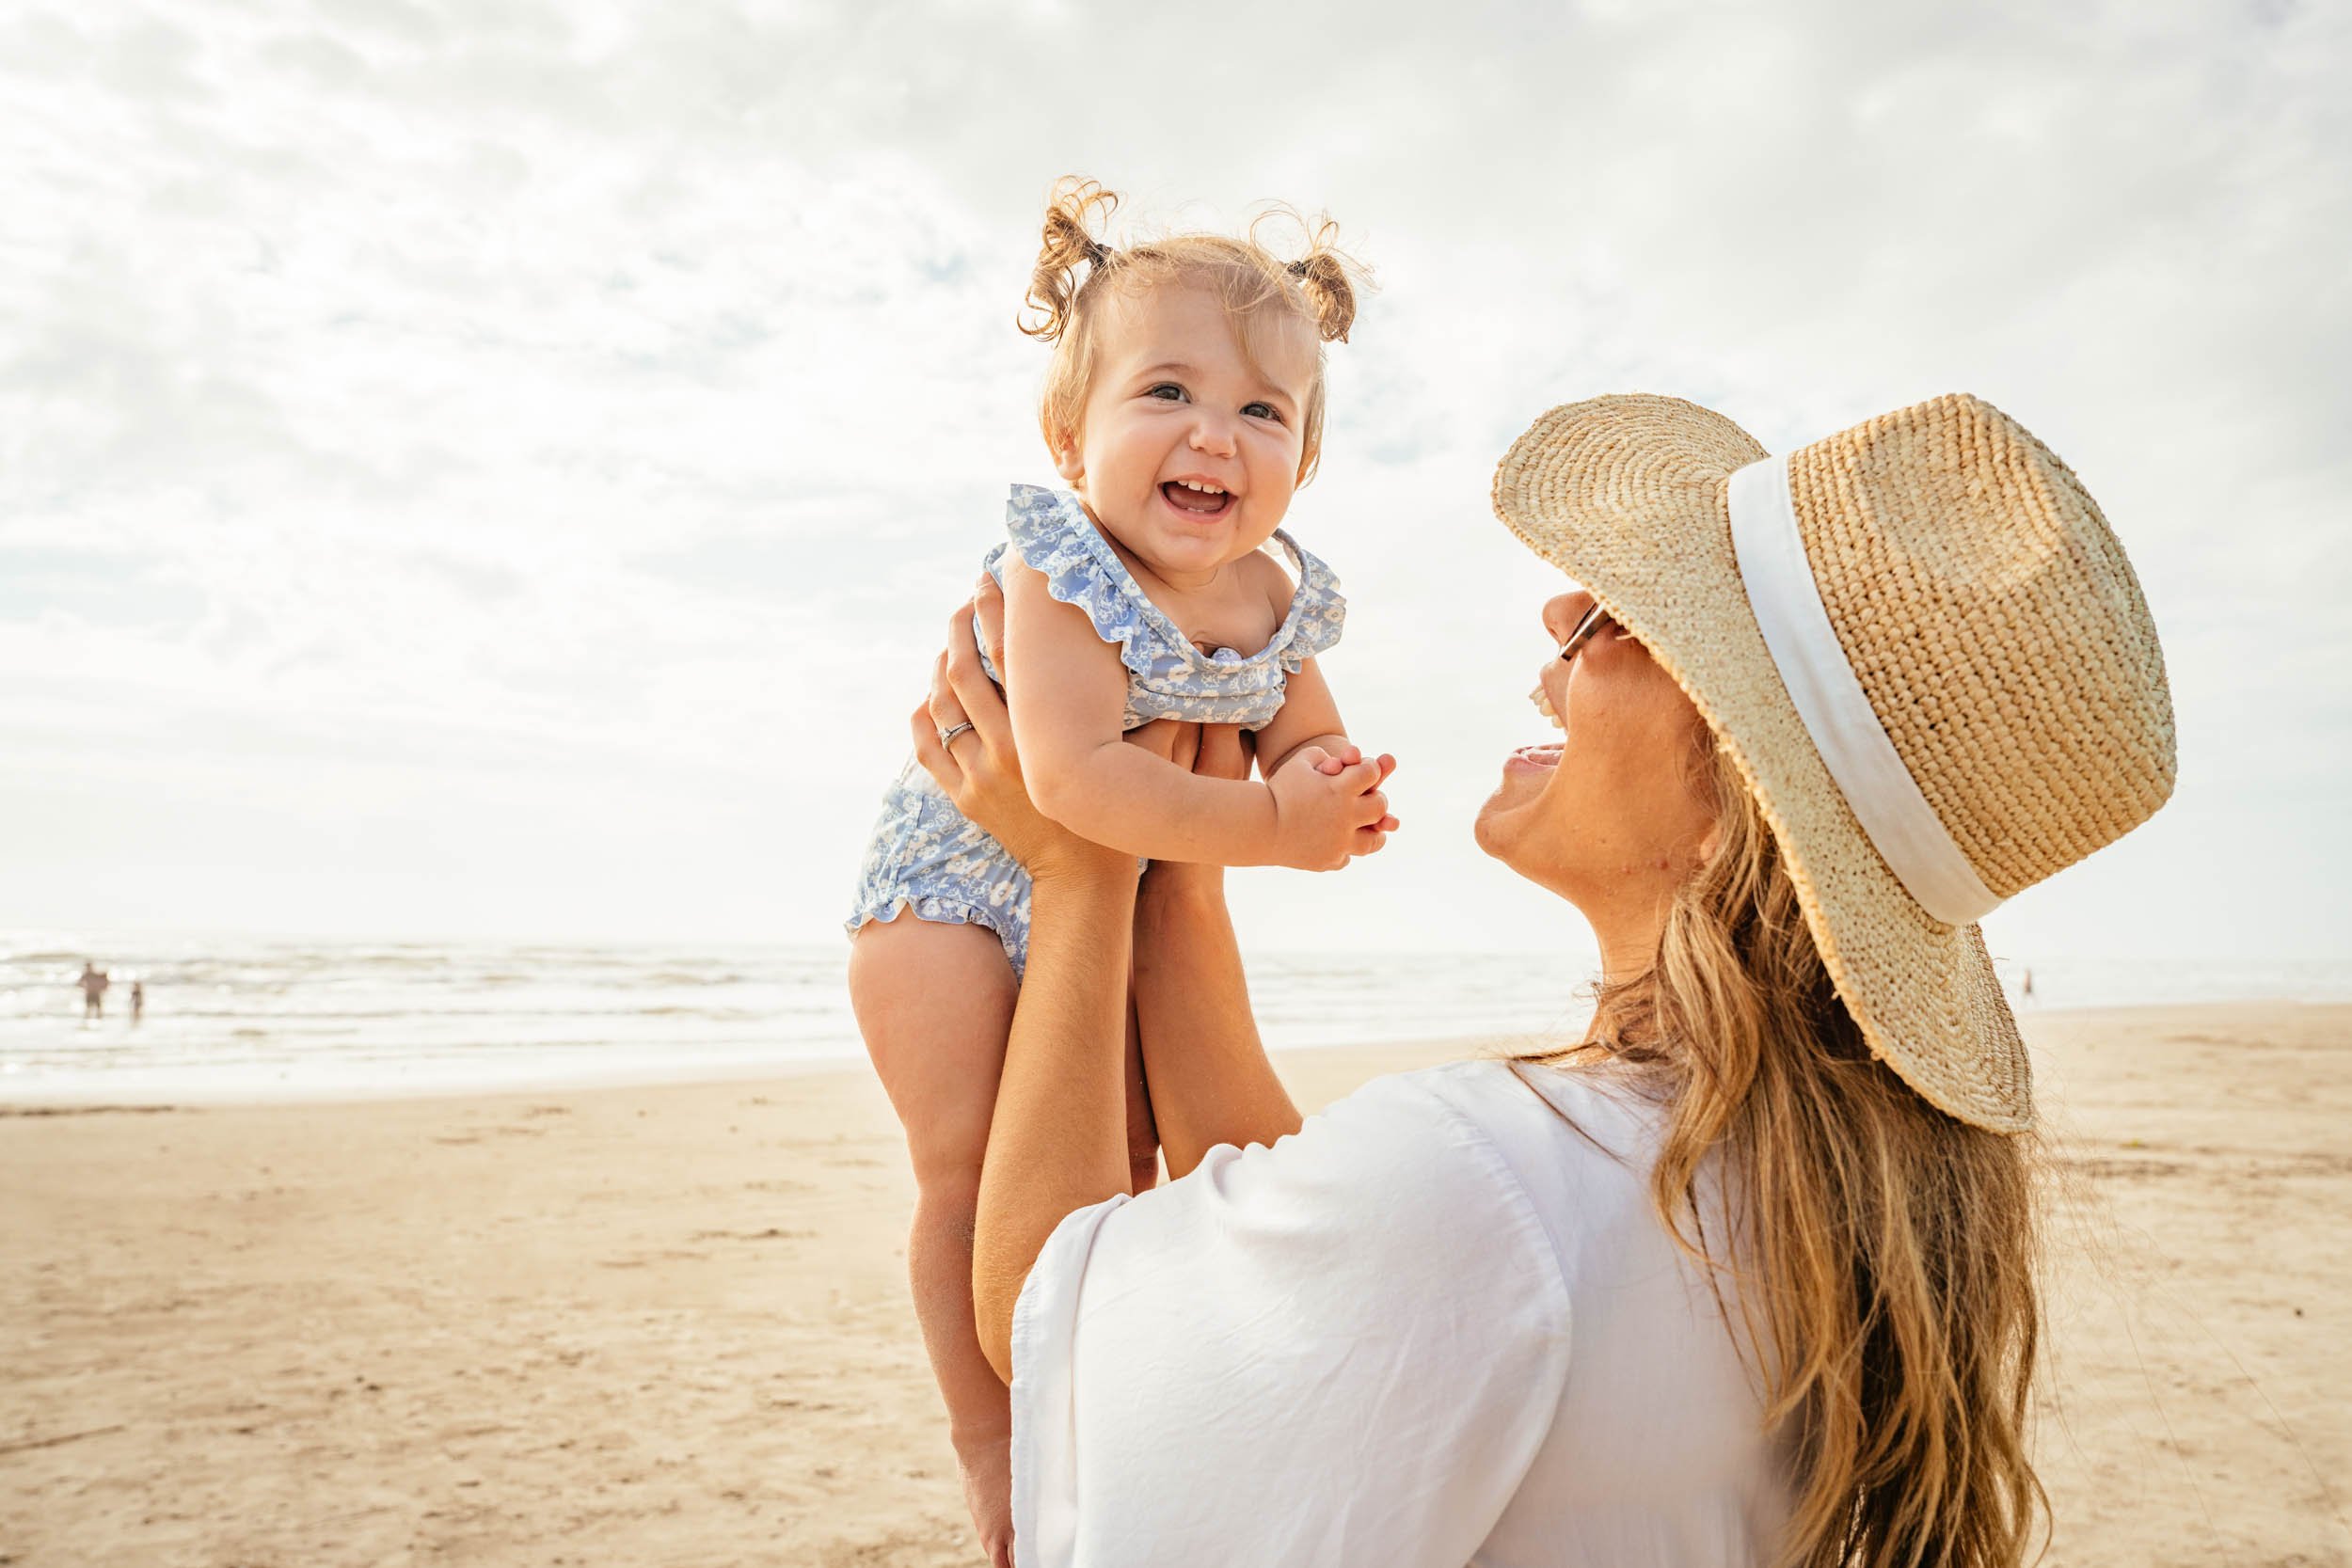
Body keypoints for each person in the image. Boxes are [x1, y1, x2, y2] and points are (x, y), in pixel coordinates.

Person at [914, 392, 2175, 1565]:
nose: (1558, 615)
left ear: (1742, 802)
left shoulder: (1488, 1185)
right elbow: (1303, 1250)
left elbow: (1056, 1330)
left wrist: (1078, 879)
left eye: (1625, 618)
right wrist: (1178, 872)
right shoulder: (1809, 1182)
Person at [841, 177, 1394, 1561]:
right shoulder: (1062, 568)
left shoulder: (1273, 597)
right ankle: (991, 1445)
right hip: (952, 895)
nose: (1216, 434)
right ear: (1069, 433)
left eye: (1264, 412)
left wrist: (1335, 794)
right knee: (967, 1165)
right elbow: (1073, 780)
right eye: (1167, 393)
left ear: (1303, 463)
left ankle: (1101, 1420)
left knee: (1118, 1163)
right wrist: (1272, 831)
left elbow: (1303, 742)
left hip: (1124, 889)